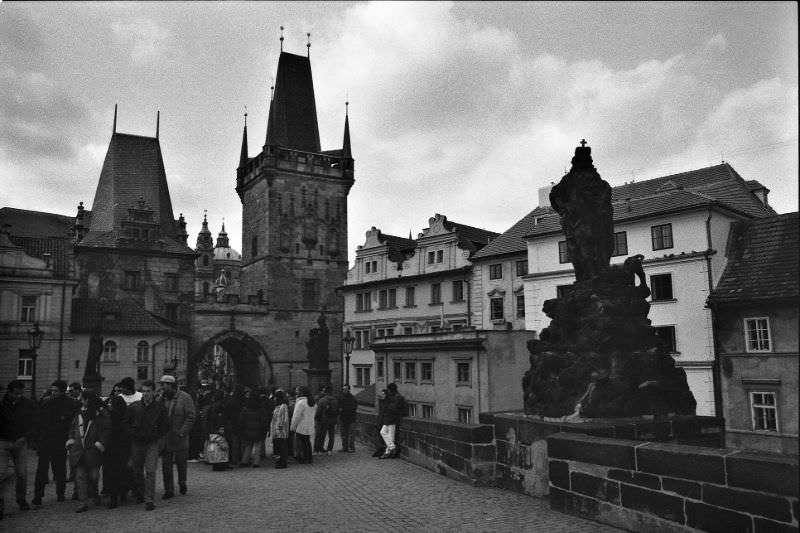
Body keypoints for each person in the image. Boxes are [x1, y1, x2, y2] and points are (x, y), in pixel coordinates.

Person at [125, 380, 168, 511]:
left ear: (153, 392)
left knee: (150, 471)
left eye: (148, 391)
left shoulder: (160, 407)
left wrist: (156, 435)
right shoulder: (134, 407)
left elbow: (165, 425)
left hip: (151, 443)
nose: (146, 394)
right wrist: (133, 433)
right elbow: (125, 423)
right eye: (143, 391)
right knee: (137, 471)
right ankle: (140, 492)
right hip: (137, 442)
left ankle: (149, 499)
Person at [66, 389, 110, 513]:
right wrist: (70, 440)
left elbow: (106, 430)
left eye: (82, 399)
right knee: (80, 477)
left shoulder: (101, 414)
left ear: (88, 400)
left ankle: (94, 493)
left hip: (93, 449)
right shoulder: (79, 413)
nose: (80, 401)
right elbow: (73, 428)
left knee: (94, 476)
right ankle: (82, 502)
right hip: (79, 450)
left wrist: (100, 443)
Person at [32, 380, 75, 507]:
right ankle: (38, 496)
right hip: (45, 440)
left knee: (60, 469)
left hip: (60, 440)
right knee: (41, 470)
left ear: (62, 392)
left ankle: (60, 493)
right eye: (52, 390)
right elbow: (39, 420)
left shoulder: (68, 403)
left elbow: (68, 422)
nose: (53, 392)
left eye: (56, 390)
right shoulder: (46, 402)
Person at [0, 380, 38, 518]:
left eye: (21, 393)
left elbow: (34, 423)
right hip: (3, 441)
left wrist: (26, 437)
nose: (19, 396)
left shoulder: (27, 404)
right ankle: (0, 504)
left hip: (21, 441)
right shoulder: (2, 404)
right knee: (1, 473)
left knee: (22, 473)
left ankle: (21, 499)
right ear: (9, 392)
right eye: (16, 393)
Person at [158, 375, 195, 499]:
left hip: (180, 436)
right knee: (166, 466)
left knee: (181, 462)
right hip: (166, 437)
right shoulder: (160, 399)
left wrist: (182, 431)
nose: (162, 387)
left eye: (165, 385)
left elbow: (191, 416)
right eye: (162, 385)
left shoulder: (185, 397)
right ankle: (169, 490)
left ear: (171, 385)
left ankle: (182, 482)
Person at [102, 383, 129, 509]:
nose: (117, 392)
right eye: (115, 390)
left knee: (119, 470)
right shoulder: (110, 405)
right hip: (111, 443)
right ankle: (115, 494)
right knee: (113, 470)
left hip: (119, 443)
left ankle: (120, 494)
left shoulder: (120, 406)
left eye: (119, 390)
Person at [238, 393, 269, 467]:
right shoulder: (261, 410)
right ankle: (256, 462)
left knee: (248, 446)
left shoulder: (245, 409)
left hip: (247, 430)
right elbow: (264, 420)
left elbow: (241, 420)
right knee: (258, 446)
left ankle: (244, 461)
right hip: (258, 430)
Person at [290, 386, 316, 464]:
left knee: (301, 442)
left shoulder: (301, 403)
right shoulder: (312, 402)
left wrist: (293, 426)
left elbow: (296, 416)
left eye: (297, 391)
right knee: (307, 442)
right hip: (309, 425)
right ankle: (309, 458)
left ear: (301, 393)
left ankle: (303, 458)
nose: (296, 392)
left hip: (301, 425)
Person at [380, 383, 407, 459]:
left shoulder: (398, 397)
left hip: (393, 419)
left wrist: (386, 401)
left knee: (390, 436)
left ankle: (388, 452)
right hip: (389, 418)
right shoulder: (393, 396)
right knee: (384, 433)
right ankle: (391, 448)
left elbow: (394, 408)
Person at [314, 385, 339, 455]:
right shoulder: (335, 400)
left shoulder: (322, 400)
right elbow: (338, 410)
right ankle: (329, 450)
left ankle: (319, 450)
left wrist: (316, 418)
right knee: (331, 435)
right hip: (333, 420)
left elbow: (318, 411)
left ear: (325, 391)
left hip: (324, 420)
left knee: (322, 435)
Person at [270, 390, 289, 469]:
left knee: (282, 446)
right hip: (275, 430)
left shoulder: (283, 406)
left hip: (280, 430)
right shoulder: (277, 406)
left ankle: (283, 462)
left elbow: (284, 418)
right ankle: (279, 461)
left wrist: (280, 426)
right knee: (278, 447)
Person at [337, 385, 358, 453]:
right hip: (342, 418)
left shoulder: (352, 398)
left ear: (349, 389)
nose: (344, 390)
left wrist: (343, 409)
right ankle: (344, 447)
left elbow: (353, 407)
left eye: (345, 389)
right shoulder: (340, 397)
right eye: (343, 389)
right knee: (343, 433)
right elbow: (338, 406)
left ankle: (351, 447)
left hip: (351, 418)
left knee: (351, 434)